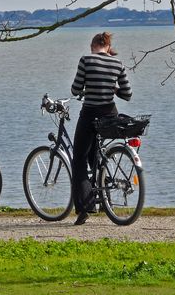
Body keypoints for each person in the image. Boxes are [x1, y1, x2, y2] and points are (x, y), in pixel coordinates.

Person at [70, 31, 132, 226]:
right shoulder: (118, 63)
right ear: (108, 47)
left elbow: (75, 89)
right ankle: (104, 197)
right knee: (95, 155)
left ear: (93, 45)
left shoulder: (86, 60)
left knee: (79, 158)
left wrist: (85, 89)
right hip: (110, 115)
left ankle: (86, 207)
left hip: (90, 113)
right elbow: (127, 94)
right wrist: (112, 88)